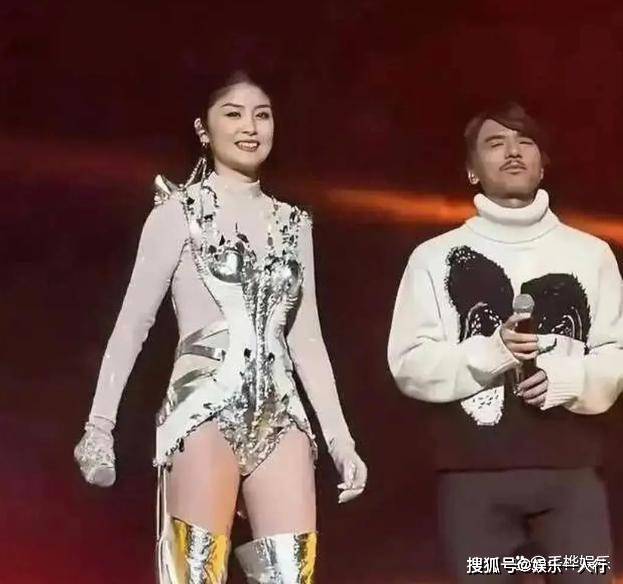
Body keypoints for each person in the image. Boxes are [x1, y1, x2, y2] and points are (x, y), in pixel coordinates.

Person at [74, 71, 367, 583]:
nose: (250, 126)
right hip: (202, 409)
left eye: (262, 115)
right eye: (233, 114)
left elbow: (307, 340)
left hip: (282, 416)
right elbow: (133, 323)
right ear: (203, 129)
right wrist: (99, 427)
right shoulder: (177, 214)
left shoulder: (294, 224)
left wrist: (341, 441)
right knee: (195, 574)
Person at [388, 102, 623, 582]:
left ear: (543, 164)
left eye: (525, 141)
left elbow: (615, 353)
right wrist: (493, 352)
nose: (513, 152)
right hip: (474, 484)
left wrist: (566, 379)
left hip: (572, 481)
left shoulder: (592, 254)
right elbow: (409, 362)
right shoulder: (433, 257)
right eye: (495, 143)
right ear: (471, 170)